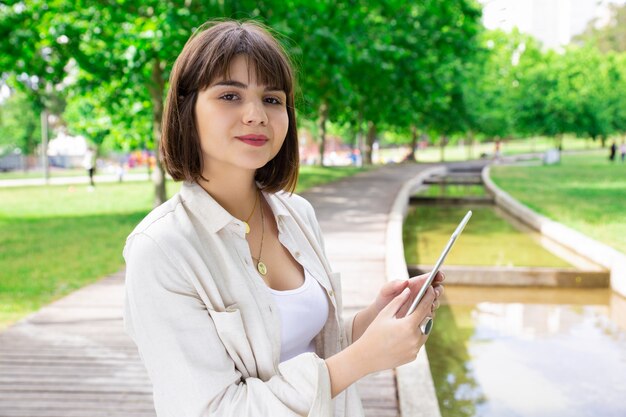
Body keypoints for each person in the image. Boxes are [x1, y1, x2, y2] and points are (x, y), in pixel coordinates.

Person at [123, 20, 443, 417]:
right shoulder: (161, 249)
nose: (256, 115)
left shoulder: (297, 214)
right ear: (187, 111)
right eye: (229, 95)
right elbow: (215, 409)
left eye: (272, 99)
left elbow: (309, 350)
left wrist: (370, 323)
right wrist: (363, 359)